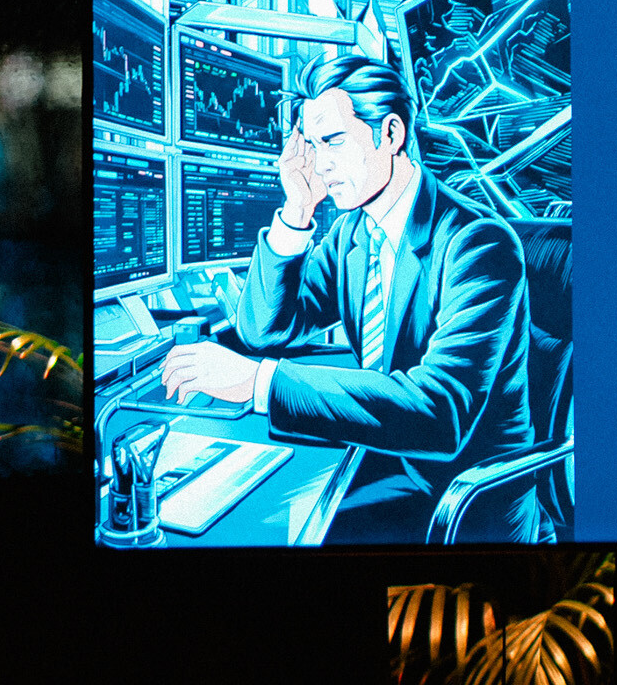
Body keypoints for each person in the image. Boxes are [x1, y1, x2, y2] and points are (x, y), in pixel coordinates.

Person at [160, 53, 548, 543]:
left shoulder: (478, 244)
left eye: (334, 141)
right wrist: (296, 212)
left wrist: (258, 383)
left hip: (461, 504)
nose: (320, 165)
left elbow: (438, 413)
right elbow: (265, 331)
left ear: (391, 134)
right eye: (312, 146)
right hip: (386, 460)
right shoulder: (352, 235)